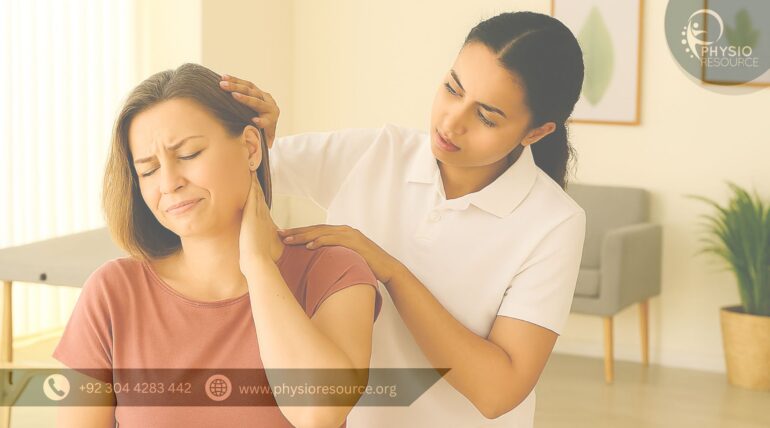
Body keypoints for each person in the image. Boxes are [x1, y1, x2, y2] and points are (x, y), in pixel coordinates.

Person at [219, 11, 587, 428]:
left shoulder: (554, 222)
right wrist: (253, 142)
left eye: (485, 117)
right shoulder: (375, 153)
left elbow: (498, 391)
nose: (451, 121)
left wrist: (392, 272)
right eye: (452, 88)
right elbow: (233, 176)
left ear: (535, 133)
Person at [53, 63, 382, 428]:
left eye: (189, 154)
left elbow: (317, 411)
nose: (169, 183)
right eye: (148, 170)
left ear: (250, 147)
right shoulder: (113, 292)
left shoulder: (333, 271)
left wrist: (257, 265)